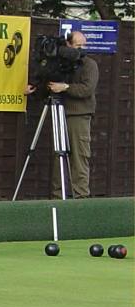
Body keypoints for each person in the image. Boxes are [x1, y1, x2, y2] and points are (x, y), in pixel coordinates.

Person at [24, 31, 98, 199]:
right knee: (58, 157)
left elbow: (87, 89)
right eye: (78, 46)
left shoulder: (89, 64)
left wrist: (65, 87)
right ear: (68, 45)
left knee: (79, 157)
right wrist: (35, 89)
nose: (82, 49)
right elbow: (49, 83)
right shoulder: (59, 63)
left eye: (84, 45)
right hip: (60, 112)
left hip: (79, 115)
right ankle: (59, 195)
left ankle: (81, 196)